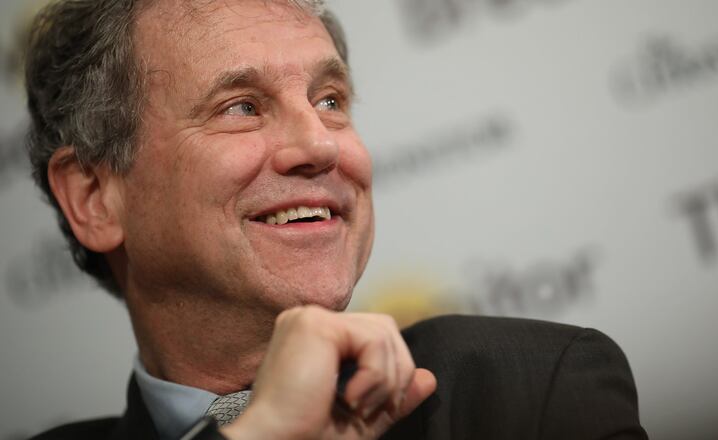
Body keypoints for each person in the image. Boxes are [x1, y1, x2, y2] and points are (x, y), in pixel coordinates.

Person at [25, 0, 649, 439]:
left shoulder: (526, 391)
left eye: (330, 101)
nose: (323, 146)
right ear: (94, 196)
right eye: (242, 106)